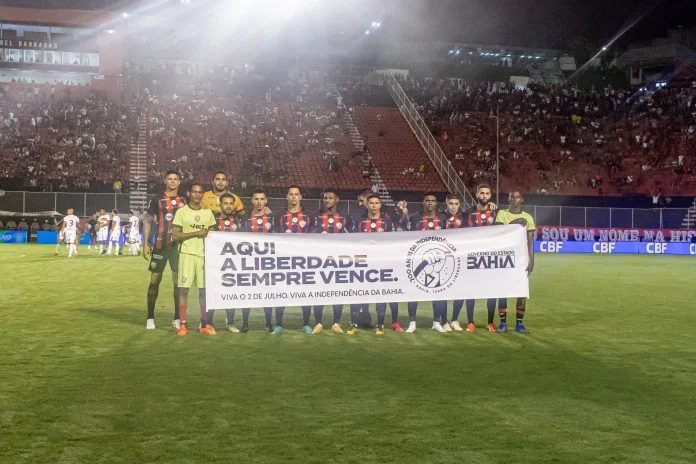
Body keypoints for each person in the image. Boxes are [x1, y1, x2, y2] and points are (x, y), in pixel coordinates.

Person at [398, 192, 449, 333]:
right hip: (418, 261)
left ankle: (436, 322)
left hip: (438, 261)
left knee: (437, 291)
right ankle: (412, 322)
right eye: (428, 200)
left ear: (436, 203)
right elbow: (404, 233)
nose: (430, 203)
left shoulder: (443, 219)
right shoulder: (414, 218)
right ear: (423, 202)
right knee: (414, 292)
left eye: (433, 200)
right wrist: (403, 213)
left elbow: (450, 238)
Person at [349, 193, 399, 335]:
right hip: (362, 265)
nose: (374, 206)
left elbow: (394, 242)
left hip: (380, 265)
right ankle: (353, 325)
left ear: (380, 205)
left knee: (380, 294)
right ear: (367, 204)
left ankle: (380, 326)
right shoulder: (359, 220)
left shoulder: (387, 222)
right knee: (357, 294)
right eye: (371, 203)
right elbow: (351, 241)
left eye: (377, 203)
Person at [172, 183, 216, 336]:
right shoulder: (181, 212)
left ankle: (204, 324)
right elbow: (176, 235)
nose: (197, 195)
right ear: (189, 193)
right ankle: (183, 324)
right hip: (187, 254)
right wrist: (196, 233)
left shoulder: (208, 213)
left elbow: (213, 235)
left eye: (200, 192)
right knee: (183, 290)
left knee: (204, 292)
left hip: (204, 256)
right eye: (194, 192)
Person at [143, 170, 185, 330]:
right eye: (170, 179)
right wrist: (145, 243)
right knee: (154, 280)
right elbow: (147, 221)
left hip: (178, 247)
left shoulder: (184, 200)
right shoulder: (156, 199)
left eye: (175, 179)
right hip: (160, 246)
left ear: (179, 182)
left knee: (177, 282)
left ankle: (176, 318)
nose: (173, 182)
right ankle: (150, 317)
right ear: (165, 181)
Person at [273, 185, 314, 335]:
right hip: (284, 261)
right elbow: (274, 237)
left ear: (300, 197)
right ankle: (278, 325)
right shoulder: (279, 216)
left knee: (305, 293)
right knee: (281, 293)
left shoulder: (309, 216)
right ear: (287, 197)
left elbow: (314, 239)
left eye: (296, 194)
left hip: (303, 262)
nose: (294, 197)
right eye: (291, 194)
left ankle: (306, 324)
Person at [311, 188, 353, 334]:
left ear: (337, 200)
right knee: (319, 293)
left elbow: (353, 239)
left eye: (330, 197)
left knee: (338, 293)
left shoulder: (345, 217)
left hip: (338, 263)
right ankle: (318, 323)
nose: (327, 200)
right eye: (325, 197)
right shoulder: (315, 217)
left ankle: (336, 323)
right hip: (320, 263)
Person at [494, 190, 535, 334]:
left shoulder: (528, 217)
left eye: (518, 197)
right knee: (503, 291)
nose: (515, 199)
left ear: (522, 199)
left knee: (521, 292)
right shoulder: (502, 214)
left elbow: (530, 241)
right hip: (505, 257)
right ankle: (502, 323)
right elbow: (500, 232)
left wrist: (532, 260)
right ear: (509, 199)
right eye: (513, 197)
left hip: (521, 258)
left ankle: (519, 324)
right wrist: (516, 222)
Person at [462, 185, 499, 333]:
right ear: (476, 194)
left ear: (490, 195)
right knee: (471, 290)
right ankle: (471, 322)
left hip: (491, 257)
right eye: (482, 193)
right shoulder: (468, 213)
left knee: (492, 291)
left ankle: (490, 322)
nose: (484, 196)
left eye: (487, 193)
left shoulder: (496, 212)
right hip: (472, 257)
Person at [242, 188, 277, 332]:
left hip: (267, 263)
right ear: (252, 201)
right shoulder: (244, 219)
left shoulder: (272, 219)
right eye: (256, 199)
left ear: (266, 201)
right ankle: (245, 323)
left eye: (262, 199)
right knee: (247, 294)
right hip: (249, 263)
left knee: (266, 294)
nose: (259, 202)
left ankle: (268, 323)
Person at [215, 193, 250, 333]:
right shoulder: (213, 219)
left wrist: (267, 210)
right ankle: (226, 322)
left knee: (242, 292)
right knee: (225, 293)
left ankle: (245, 323)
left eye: (231, 203)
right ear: (220, 205)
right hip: (220, 263)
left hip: (239, 263)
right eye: (225, 203)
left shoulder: (242, 219)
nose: (228, 206)